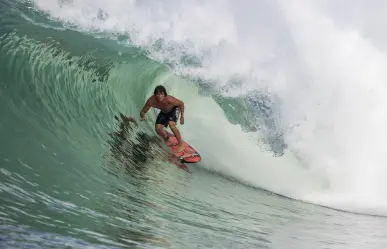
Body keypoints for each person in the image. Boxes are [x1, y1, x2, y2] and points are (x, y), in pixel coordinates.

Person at [140, 85, 185, 154]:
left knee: (171, 124)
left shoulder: (169, 99)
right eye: (158, 94)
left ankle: (180, 144)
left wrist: (182, 116)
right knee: (158, 129)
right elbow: (143, 111)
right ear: (155, 94)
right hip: (164, 112)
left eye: (161, 94)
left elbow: (181, 104)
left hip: (174, 110)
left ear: (164, 94)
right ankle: (167, 139)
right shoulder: (151, 101)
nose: (160, 96)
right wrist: (143, 116)